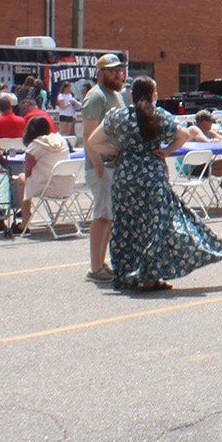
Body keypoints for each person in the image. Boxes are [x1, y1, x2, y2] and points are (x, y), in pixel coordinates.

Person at [87, 77, 222, 293]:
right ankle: (150, 276)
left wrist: (116, 151)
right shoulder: (159, 115)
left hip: (125, 175)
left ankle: (128, 273)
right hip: (152, 175)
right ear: (152, 95)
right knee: (154, 226)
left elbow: (94, 141)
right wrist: (167, 151)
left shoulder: (118, 116)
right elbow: (183, 134)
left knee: (127, 226)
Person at [81, 54, 128, 283]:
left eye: (118, 70)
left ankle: (101, 263)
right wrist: (98, 165)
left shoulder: (116, 95)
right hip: (102, 166)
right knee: (101, 215)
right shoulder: (96, 97)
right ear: (100, 73)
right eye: (111, 71)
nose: (116, 74)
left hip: (113, 165)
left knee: (108, 215)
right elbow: (88, 135)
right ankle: (94, 267)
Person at [17, 115, 71, 233]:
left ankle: (25, 219)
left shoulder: (35, 146)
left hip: (47, 187)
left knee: (21, 179)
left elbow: (27, 172)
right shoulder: (61, 140)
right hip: (67, 186)